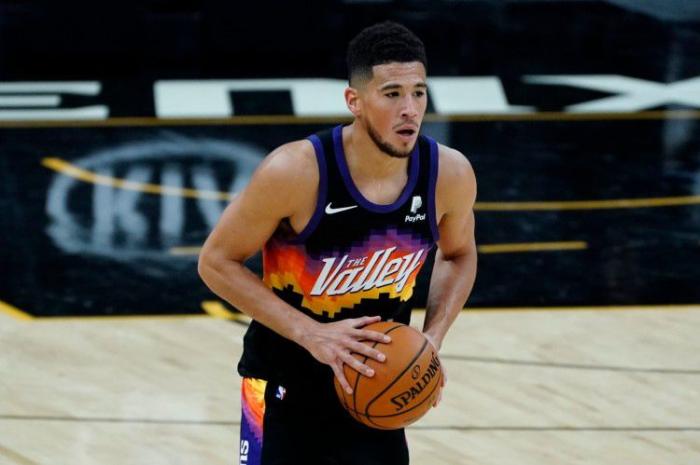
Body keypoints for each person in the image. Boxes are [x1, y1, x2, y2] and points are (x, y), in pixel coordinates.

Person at [198, 21, 477, 465]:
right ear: (354, 101)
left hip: (376, 390)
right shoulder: (295, 172)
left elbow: (458, 254)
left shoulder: (449, 174)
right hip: (282, 387)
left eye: (418, 93)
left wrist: (432, 338)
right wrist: (311, 333)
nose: (410, 109)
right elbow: (216, 262)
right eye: (392, 94)